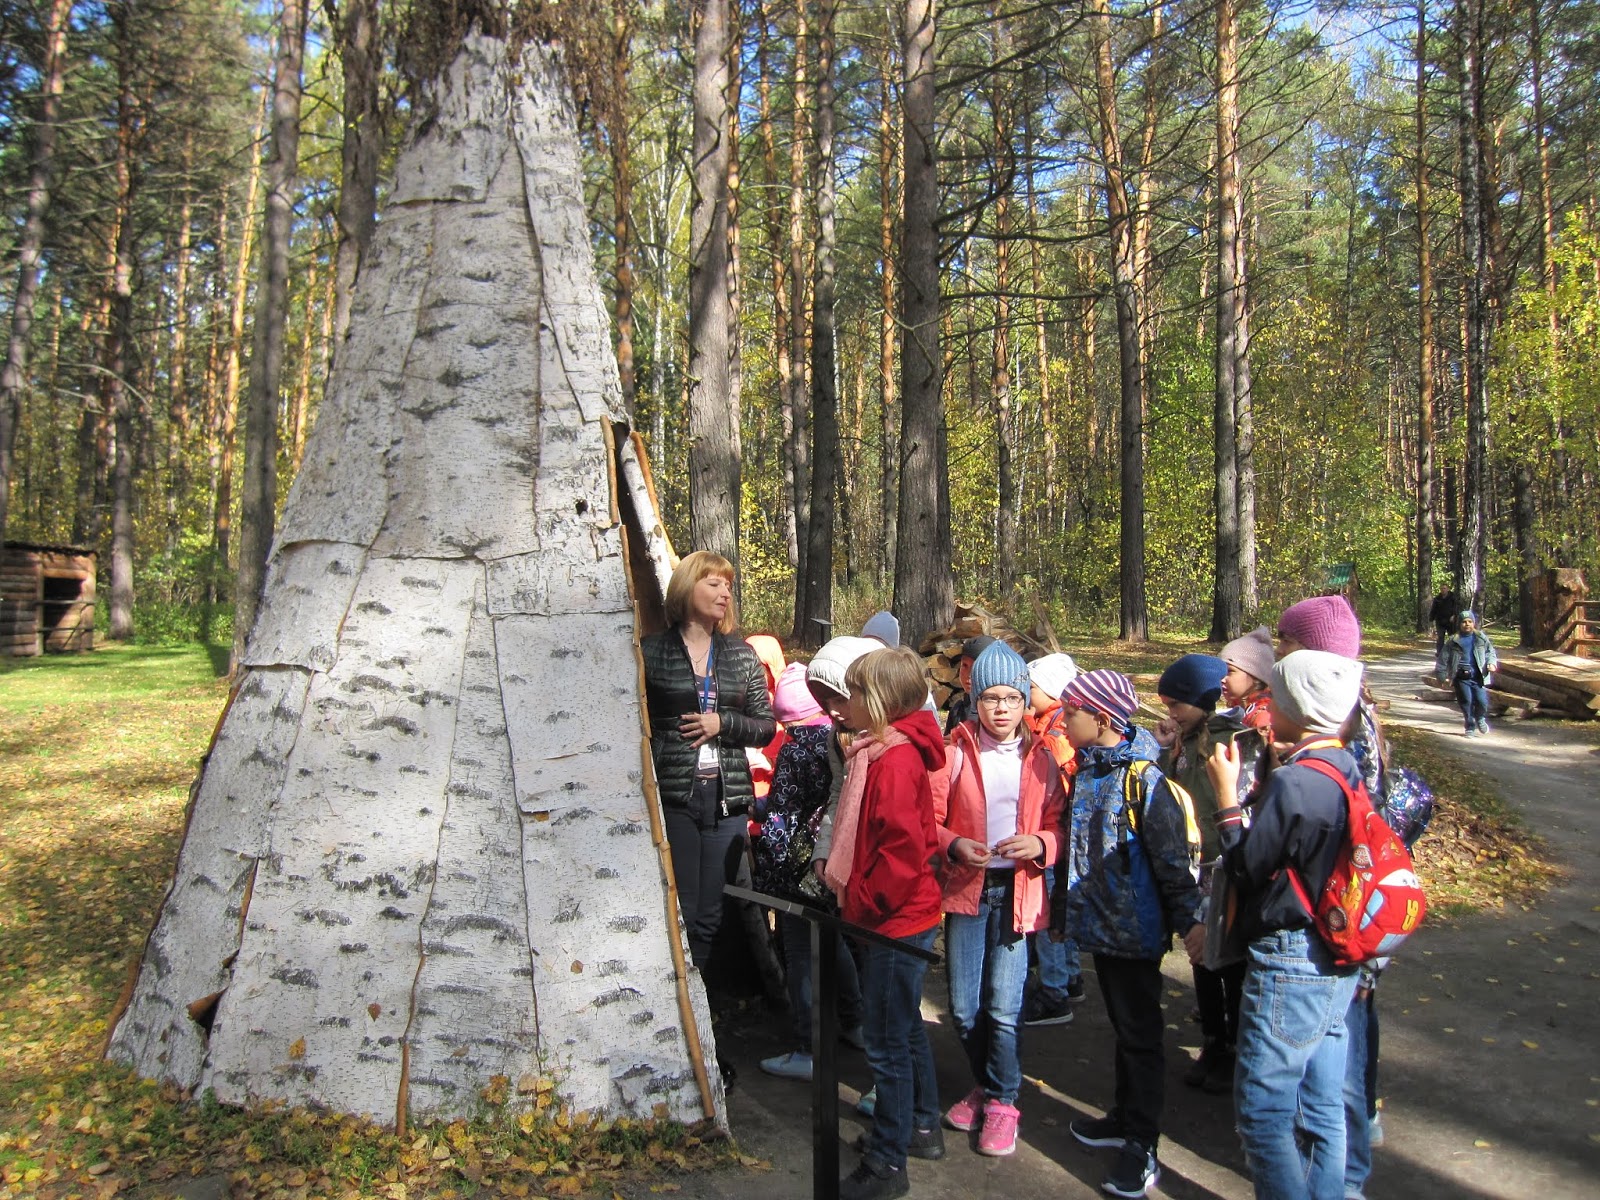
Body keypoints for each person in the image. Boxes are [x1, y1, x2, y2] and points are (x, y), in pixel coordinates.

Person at [1204, 649, 1366, 1200]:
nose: (1269, 705)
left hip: (1292, 957)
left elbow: (1249, 868)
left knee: (1264, 1112)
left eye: (1277, 695)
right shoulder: (1344, 766)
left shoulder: (1296, 784)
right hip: (1337, 950)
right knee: (1321, 1106)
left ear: (1297, 705)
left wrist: (1228, 800)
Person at [1051, 670, 1200, 1199]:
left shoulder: (1144, 781)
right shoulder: (1090, 770)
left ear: (1104, 718)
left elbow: (1171, 863)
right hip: (1102, 928)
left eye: (1071, 713)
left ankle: (1142, 1143)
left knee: (1140, 1036)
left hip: (1135, 932)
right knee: (1123, 1027)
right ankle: (1123, 1116)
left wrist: (1192, 925)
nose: (1063, 721)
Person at [820, 647, 947, 1200]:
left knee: (887, 1042)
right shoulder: (878, 751)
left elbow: (900, 853)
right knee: (903, 1026)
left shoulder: (894, 760)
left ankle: (888, 1161)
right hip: (889, 916)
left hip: (894, 920)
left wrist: (862, 903)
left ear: (880, 702)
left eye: (852, 693)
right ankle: (921, 1124)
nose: (843, 704)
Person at [936, 642, 1066, 1157]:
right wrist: (954, 844)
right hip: (968, 892)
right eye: (992, 697)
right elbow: (931, 819)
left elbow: (1059, 825)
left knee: (1005, 1008)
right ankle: (988, 1084)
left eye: (1013, 697)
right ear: (974, 698)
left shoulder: (1042, 759)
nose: (1004, 708)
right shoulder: (954, 750)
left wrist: (1040, 844)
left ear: (1025, 702)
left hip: (1018, 893)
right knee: (966, 1010)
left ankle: (1003, 1102)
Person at [640, 552, 776, 980]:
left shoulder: (740, 655)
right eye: (714, 583)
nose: (725, 592)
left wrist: (724, 723)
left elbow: (766, 727)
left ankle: (702, 1012)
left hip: (727, 800)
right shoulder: (651, 652)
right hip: (675, 798)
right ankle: (682, 1014)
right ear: (686, 588)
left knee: (712, 915)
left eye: (728, 585)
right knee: (683, 907)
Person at [1152, 654, 1265, 1096]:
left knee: (1228, 959)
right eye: (1165, 704)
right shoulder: (1184, 739)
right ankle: (1213, 1040)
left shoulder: (1226, 740)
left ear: (1203, 699)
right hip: (1193, 864)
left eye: (1177, 704)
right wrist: (1165, 750)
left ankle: (1234, 1046)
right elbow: (1171, 794)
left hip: (1222, 866)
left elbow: (1231, 798)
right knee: (1201, 957)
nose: (1170, 713)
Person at [753, 662, 865, 1082]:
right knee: (833, 942)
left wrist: (760, 822)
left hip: (799, 867)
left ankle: (808, 1045)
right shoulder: (840, 741)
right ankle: (854, 1022)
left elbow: (783, 810)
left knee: (800, 951)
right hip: (831, 860)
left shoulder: (797, 748)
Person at [1021, 653, 1086, 1025]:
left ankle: (1054, 991)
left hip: (1053, 832)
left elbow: (1055, 782)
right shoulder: (1052, 720)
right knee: (1062, 907)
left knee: (1047, 916)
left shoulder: (1057, 734)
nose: (1027, 694)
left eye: (1032, 688)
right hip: (1062, 832)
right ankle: (1072, 977)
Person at [1442, 610, 1498, 737]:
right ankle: (1470, 726)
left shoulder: (1481, 638)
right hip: (1461, 676)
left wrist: (1491, 662)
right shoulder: (1453, 641)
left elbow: (1490, 652)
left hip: (1478, 676)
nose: (1467, 624)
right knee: (1466, 701)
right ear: (1459, 624)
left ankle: (1480, 718)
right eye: (1463, 622)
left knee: (1481, 701)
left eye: (1470, 622)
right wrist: (1443, 675)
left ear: (1474, 623)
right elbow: (1443, 658)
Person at [1220, 626, 1275, 733]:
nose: (1222, 678)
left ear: (1255, 677)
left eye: (1229, 671)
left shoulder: (1263, 719)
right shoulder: (1239, 709)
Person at [945, 635, 997, 734]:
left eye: (976, 667)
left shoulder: (1000, 711)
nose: (969, 675)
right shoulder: (958, 710)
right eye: (964, 665)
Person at [1428, 586, 1461, 679]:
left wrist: (1454, 615)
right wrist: (1432, 619)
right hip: (1440, 621)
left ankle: (1453, 651)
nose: (1443, 590)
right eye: (1442, 588)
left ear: (1448, 589)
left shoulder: (1452, 597)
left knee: (1452, 637)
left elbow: (1456, 607)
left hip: (1450, 621)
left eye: (1445, 588)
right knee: (1440, 638)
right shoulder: (1437, 599)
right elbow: (1433, 610)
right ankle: (1439, 653)